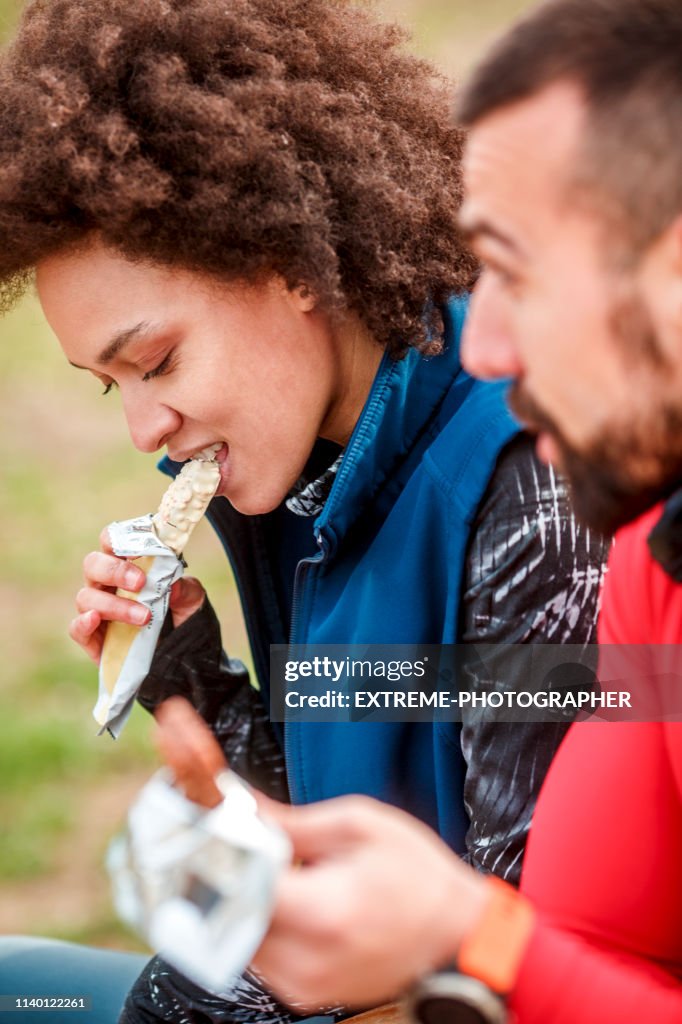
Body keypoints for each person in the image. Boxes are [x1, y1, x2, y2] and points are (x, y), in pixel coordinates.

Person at [0, 1, 607, 1022]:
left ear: (287, 262)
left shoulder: (531, 494)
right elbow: (336, 811)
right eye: (112, 385)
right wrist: (190, 676)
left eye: (156, 361)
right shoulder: (298, 464)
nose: (146, 428)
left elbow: (509, 959)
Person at [204, 1, 682, 1022]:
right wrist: (193, 679)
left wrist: (460, 934)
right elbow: (583, 935)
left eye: (512, 270)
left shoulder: (527, 485)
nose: (484, 346)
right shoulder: (653, 544)